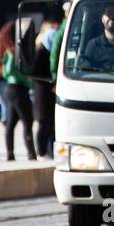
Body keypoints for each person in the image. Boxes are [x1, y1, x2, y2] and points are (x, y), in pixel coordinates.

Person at [0, 22, 35, 161]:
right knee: (27, 121)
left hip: (13, 88)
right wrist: (26, 77)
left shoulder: (9, 51)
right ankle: (31, 153)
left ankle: (10, 153)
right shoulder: (12, 52)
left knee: (11, 122)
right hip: (18, 88)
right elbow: (8, 71)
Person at [31, 15, 62, 159]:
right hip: (43, 90)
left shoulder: (50, 51)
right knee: (43, 121)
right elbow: (35, 71)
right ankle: (42, 151)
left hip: (50, 90)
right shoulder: (41, 51)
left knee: (51, 122)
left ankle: (50, 150)